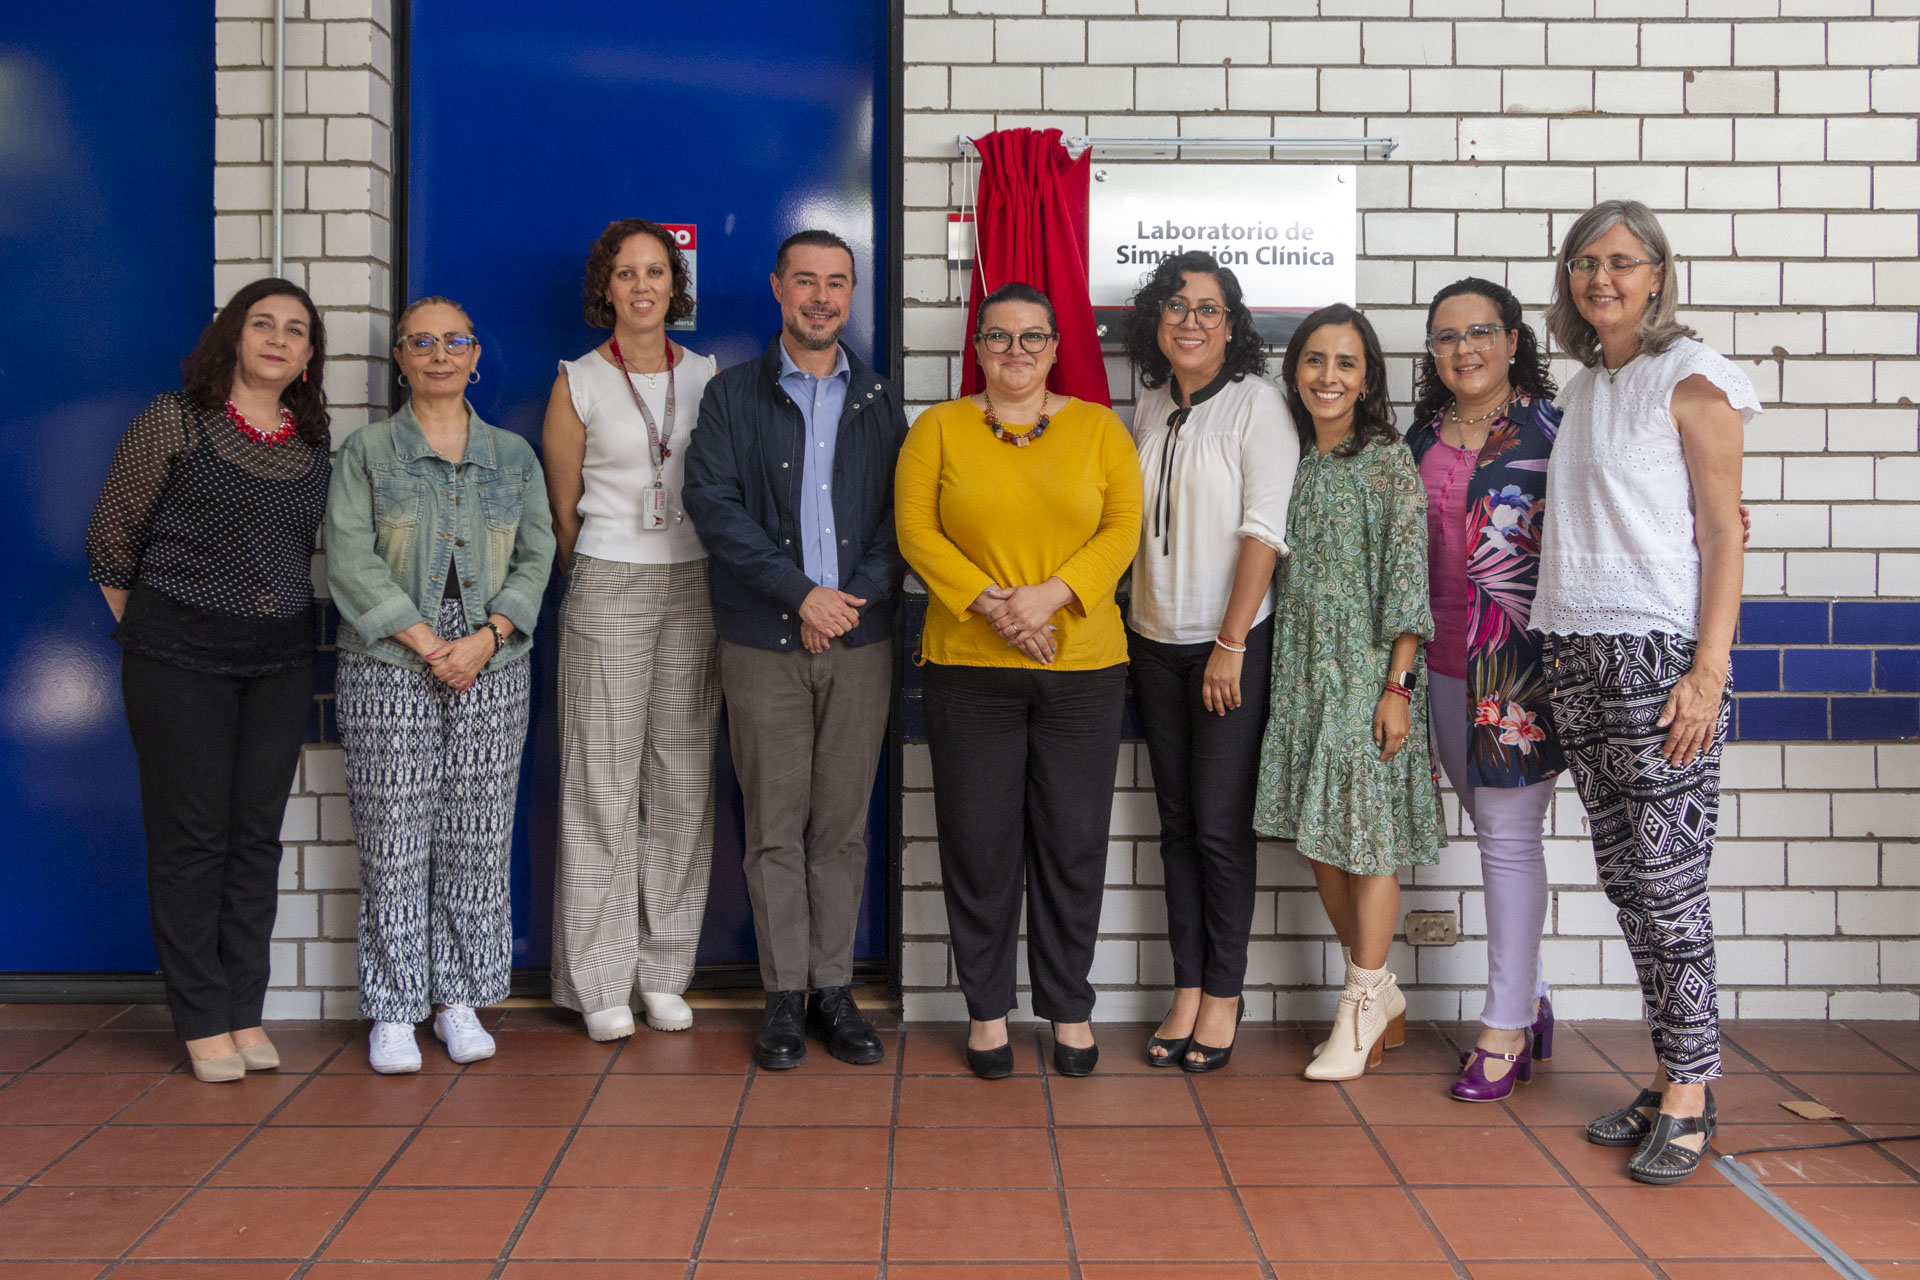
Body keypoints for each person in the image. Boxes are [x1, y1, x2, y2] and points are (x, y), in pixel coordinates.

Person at [1532, 200, 1757, 1185]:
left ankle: (1695, 1092)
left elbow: (1723, 534)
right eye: (1586, 262)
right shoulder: (1586, 384)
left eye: (1622, 261)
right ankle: (1671, 1070)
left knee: (1670, 889)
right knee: (1628, 884)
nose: (1602, 278)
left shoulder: (1693, 378)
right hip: (1576, 651)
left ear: (1658, 274)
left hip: (1658, 659)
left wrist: (1707, 672)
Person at [85, 278, 332, 1083]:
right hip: (177, 659)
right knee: (192, 838)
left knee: (254, 839)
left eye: (296, 331)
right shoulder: (175, 419)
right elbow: (110, 538)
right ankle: (200, 1018)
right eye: (262, 323)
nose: (278, 339)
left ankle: (242, 1010)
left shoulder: (309, 440)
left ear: (307, 356)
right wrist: (157, 628)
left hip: (280, 662)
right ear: (231, 335)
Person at [895, 281, 1143, 1080]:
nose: (1015, 353)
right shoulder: (936, 429)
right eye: (998, 338)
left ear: (1056, 348)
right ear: (976, 349)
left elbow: (1122, 529)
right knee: (979, 847)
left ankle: (1069, 1010)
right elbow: (915, 532)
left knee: (1072, 847)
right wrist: (994, 607)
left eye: (1031, 338)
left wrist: (1049, 597)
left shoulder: (1102, 431)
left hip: (1083, 672)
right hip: (970, 670)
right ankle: (988, 1013)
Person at [682, 229, 908, 1070]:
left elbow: (904, 522)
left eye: (837, 283)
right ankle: (782, 998)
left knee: (840, 829)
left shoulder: (883, 400)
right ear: (778, 289)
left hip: (860, 644)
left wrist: (845, 605)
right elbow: (715, 507)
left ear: (851, 295)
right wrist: (799, 594)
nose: (821, 297)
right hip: (763, 643)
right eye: (805, 281)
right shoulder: (731, 396)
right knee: (774, 827)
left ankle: (833, 991)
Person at [326, 296, 554, 1073]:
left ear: (475, 353)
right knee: (393, 840)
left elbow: (537, 556)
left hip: (494, 668)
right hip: (390, 665)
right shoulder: (367, 452)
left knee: (478, 839)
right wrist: (428, 643)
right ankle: (393, 1009)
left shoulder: (514, 458)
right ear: (400, 358)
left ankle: (459, 999)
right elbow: (348, 559)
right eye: (420, 342)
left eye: (454, 340)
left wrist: (487, 638)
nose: (439, 354)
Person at [1253, 303, 1446, 1083]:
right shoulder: (1287, 455)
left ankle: (1360, 1002)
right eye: (1314, 361)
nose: (1328, 377)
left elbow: (1408, 580)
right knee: (1318, 840)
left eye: (1346, 363)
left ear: (1368, 379)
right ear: (1294, 371)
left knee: (1365, 843)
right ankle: (1380, 988)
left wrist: (1397, 687)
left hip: (1369, 674)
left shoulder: (1387, 461)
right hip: (1301, 673)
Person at [545, 219, 724, 1041]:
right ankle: (601, 980)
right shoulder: (577, 380)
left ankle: (664, 971)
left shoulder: (709, 375)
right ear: (605, 288)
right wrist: (605, 567)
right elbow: (564, 512)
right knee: (602, 785)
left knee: (682, 782)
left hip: (696, 584)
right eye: (627, 274)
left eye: (656, 272)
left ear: (674, 286)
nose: (643, 286)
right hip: (609, 581)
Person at [1123, 252, 1296, 1073]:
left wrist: (1230, 643)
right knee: (1177, 826)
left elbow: (1264, 531)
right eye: (1176, 306)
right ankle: (1186, 988)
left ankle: (1223, 996)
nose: (1190, 321)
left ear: (1233, 325)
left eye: (1209, 308)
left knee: (1220, 829)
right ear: (1156, 319)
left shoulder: (1258, 406)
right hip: (1152, 644)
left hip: (1229, 645)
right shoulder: (1150, 403)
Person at [1404, 278, 1564, 1102]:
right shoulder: (1419, 438)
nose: (1464, 348)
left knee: (1507, 833)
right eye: (1445, 336)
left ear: (1511, 341)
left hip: (1519, 665)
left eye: (1480, 332)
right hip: (1439, 663)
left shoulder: (1554, 429)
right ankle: (1531, 999)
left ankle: (1503, 1028)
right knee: (1483, 815)